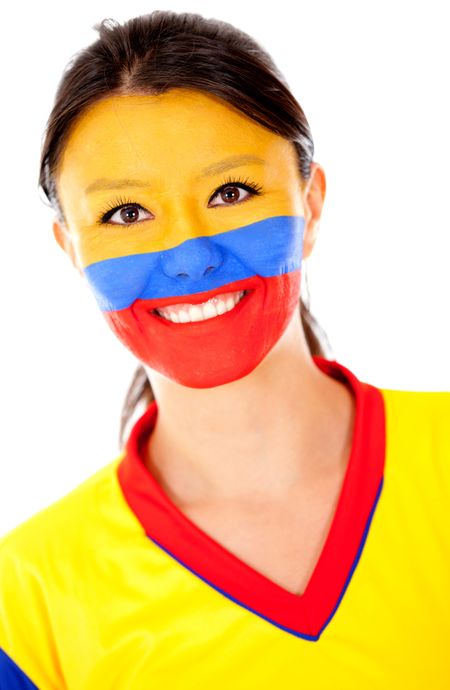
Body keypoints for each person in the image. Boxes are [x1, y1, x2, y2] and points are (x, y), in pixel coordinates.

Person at [1, 10, 449, 690]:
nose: (187, 259)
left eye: (231, 192)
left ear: (311, 201)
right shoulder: (25, 602)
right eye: (125, 213)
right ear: (71, 249)